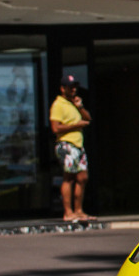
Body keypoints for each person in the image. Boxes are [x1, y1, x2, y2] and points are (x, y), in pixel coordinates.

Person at [49, 74, 94, 222]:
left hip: (78, 145)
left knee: (82, 177)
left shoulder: (74, 103)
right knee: (69, 178)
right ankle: (68, 212)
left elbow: (88, 119)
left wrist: (79, 107)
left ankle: (79, 210)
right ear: (63, 89)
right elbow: (55, 128)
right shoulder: (58, 105)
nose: (73, 89)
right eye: (70, 87)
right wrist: (76, 125)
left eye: (75, 86)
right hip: (66, 144)